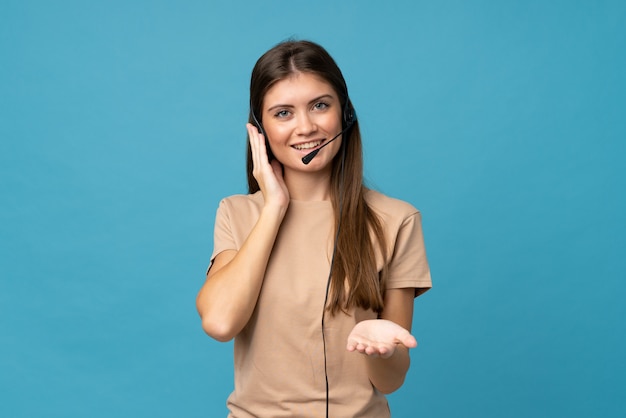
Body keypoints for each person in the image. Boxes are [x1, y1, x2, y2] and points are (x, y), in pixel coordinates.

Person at [196, 39, 432, 417]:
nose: (305, 127)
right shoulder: (237, 213)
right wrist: (274, 207)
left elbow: (391, 380)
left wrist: (383, 350)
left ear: (345, 113)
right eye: (283, 113)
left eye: (320, 105)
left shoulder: (396, 220)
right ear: (260, 130)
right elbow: (221, 322)